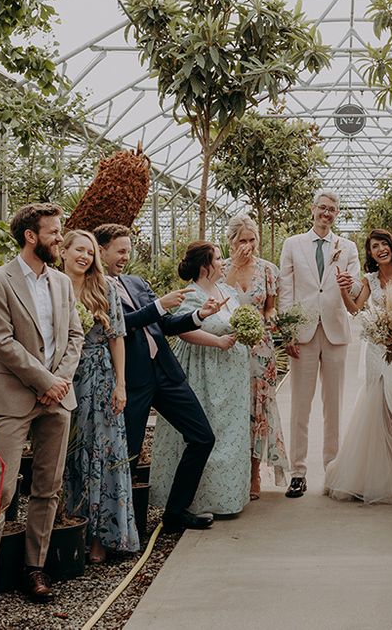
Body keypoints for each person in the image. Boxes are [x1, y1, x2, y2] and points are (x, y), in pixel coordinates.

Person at [0, 203, 84, 603]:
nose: (61, 238)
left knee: (48, 487)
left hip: (57, 398)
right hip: (12, 397)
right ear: (31, 236)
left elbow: (75, 336)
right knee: (0, 488)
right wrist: (43, 380)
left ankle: (34, 569)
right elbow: (1, 342)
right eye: (55, 232)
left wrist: (59, 382)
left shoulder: (60, 282)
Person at [93, 224, 223, 534]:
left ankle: (175, 513)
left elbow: (161, 324)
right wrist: (157, 305)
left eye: (128, 250)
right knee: (128, 455)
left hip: (165, 372)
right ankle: (117, 530)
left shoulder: (136, 283)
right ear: (102, 251)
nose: (126, 256)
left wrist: (199, 316)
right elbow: (119, 325)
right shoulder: (93, 288)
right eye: (120, 250)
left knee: (203, 437)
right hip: (130, 380)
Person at [324, 229, 392, 503]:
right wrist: (344, 290)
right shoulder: (369, 279)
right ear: (369, 254)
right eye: (374, 247)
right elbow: (356, 309)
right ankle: (377, 474)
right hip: (376, 347)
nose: (380, 249)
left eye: (384, 244)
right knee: (375, 401)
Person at [150, 241, 251, 515]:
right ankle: (197, 501)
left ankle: (227, 499)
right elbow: (182, 330)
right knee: (207, 428)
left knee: (231, 432)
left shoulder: (227, 290)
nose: (223, 262)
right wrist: (217, 343)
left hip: (232, 374)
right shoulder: (189, 294)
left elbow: (238, 321)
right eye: (218, 258)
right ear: (205, 265)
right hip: (202, 368)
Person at [60, 230, 139, 562]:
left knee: (103, 455)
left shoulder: (104, 287)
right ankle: (69, 528)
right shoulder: (53, 286)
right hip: (64, 379)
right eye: (79, 250)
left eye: (90, 252)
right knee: (70, 455)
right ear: (62, 251)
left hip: (101, 378)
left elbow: (116, 337)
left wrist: (120, 384)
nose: (85, 257)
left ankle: (101, 538)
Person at [278, 189, 361, 498]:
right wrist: (287, 330)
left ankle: (332, 469)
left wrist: (348, 283)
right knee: (300, 404)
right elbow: (286, 290)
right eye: (323, 208)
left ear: (337, 214)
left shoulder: (348, 247)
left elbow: (353, 285)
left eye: (333, 210)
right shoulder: (293, 245)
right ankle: (298, 472)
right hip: (303, 333)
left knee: (334, 404)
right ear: (312, 210)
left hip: (336, 331)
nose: (327, 213)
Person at [224, 213, 289, 499]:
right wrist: (235, 266)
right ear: (231, 242)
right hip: (228, 344)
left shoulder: (268, 270)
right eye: (242, 241)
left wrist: (275, 320)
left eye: (252, 240)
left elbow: (270, 308)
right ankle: (230, 471)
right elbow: (216, 300)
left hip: (260, 349)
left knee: (258, 411)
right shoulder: (221, 268)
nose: (247, 246)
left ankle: (254, 475)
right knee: (233, 408)